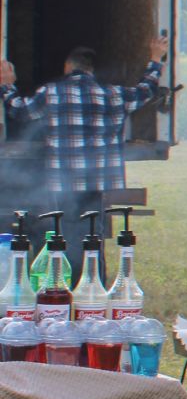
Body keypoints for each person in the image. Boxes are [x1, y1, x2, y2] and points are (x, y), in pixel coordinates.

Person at [0, 38, 169, 256]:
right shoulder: (114, 95)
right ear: (91, 71)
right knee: (92, 233)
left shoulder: (51, 92)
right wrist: (155, 58)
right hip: (97, 180)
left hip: (63, 181)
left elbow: (20, 111)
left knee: (63, 233)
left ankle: (65, 283)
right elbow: (146, 90)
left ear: (67, 67)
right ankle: (93, 280)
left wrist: (6, 84)